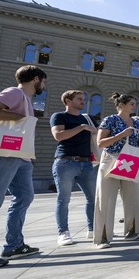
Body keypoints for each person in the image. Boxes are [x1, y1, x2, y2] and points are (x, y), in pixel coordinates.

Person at [0, 65, 46, 268]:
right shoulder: (15, 93)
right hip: (6, 155)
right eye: (43, 82)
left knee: (24, 196)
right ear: (36, 79)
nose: (43, 86)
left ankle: (13, 245)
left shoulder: (26, 100)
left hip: (21, 157)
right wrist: (21, 119)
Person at [93, 93, 139, 249]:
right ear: (121, 105)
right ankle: (103, 237)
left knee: (133, 196)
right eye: (131, 103)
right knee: (105, 198)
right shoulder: (110, 120)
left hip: (130, 160)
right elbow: (100, 143)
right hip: (111, 158)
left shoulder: (137, 122)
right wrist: (121, 135)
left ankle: (133, 230)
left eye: (135, 103)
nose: (134, 106)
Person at [50, 90, 98, 246]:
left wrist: (93, 129)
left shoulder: (88, 118)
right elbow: (58, 135)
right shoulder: (59, 116)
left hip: (87, 163)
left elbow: (99, 135)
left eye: (83, 98)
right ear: (68, 101)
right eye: (79, 99)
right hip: (65, 162)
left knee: (93, 199)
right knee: (63, 200)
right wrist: (81, 127)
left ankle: (92, 230)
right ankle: (63, 233)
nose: (83, 101)